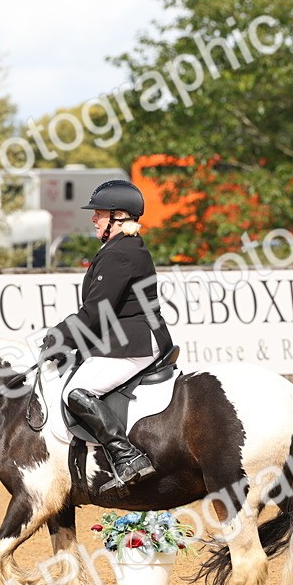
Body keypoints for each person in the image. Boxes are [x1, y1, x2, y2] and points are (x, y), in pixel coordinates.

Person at [40, 180, 173, 494]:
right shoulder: (124, 247)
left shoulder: (120, 254)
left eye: (99, 214)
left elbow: (97, 312)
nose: (93, 219)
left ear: (119, 216)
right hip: (130, 335)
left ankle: (127, 457)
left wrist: (60, 338)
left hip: (133, 341)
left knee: (76, 391)